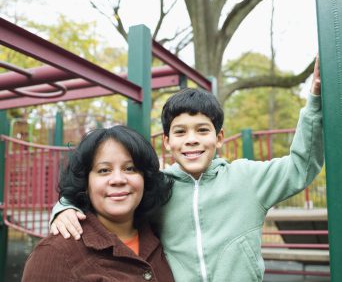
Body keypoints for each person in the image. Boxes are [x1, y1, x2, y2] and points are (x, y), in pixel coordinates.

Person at [50, 57, 323, 282]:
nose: (191, 139)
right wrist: (62, 207)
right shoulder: (158, 186)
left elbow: (301, 165)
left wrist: (314, 105)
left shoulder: (247, 178)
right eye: (180, 132)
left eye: (202, 130)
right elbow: (111, 195)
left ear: (219, 138)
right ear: (168, 142)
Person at [22, 125, 175, 282]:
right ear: (85, 183)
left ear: (145, 179)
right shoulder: (55, 254)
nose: (118, 179)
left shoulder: (163, 235)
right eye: (104, 170)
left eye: (130, 168)